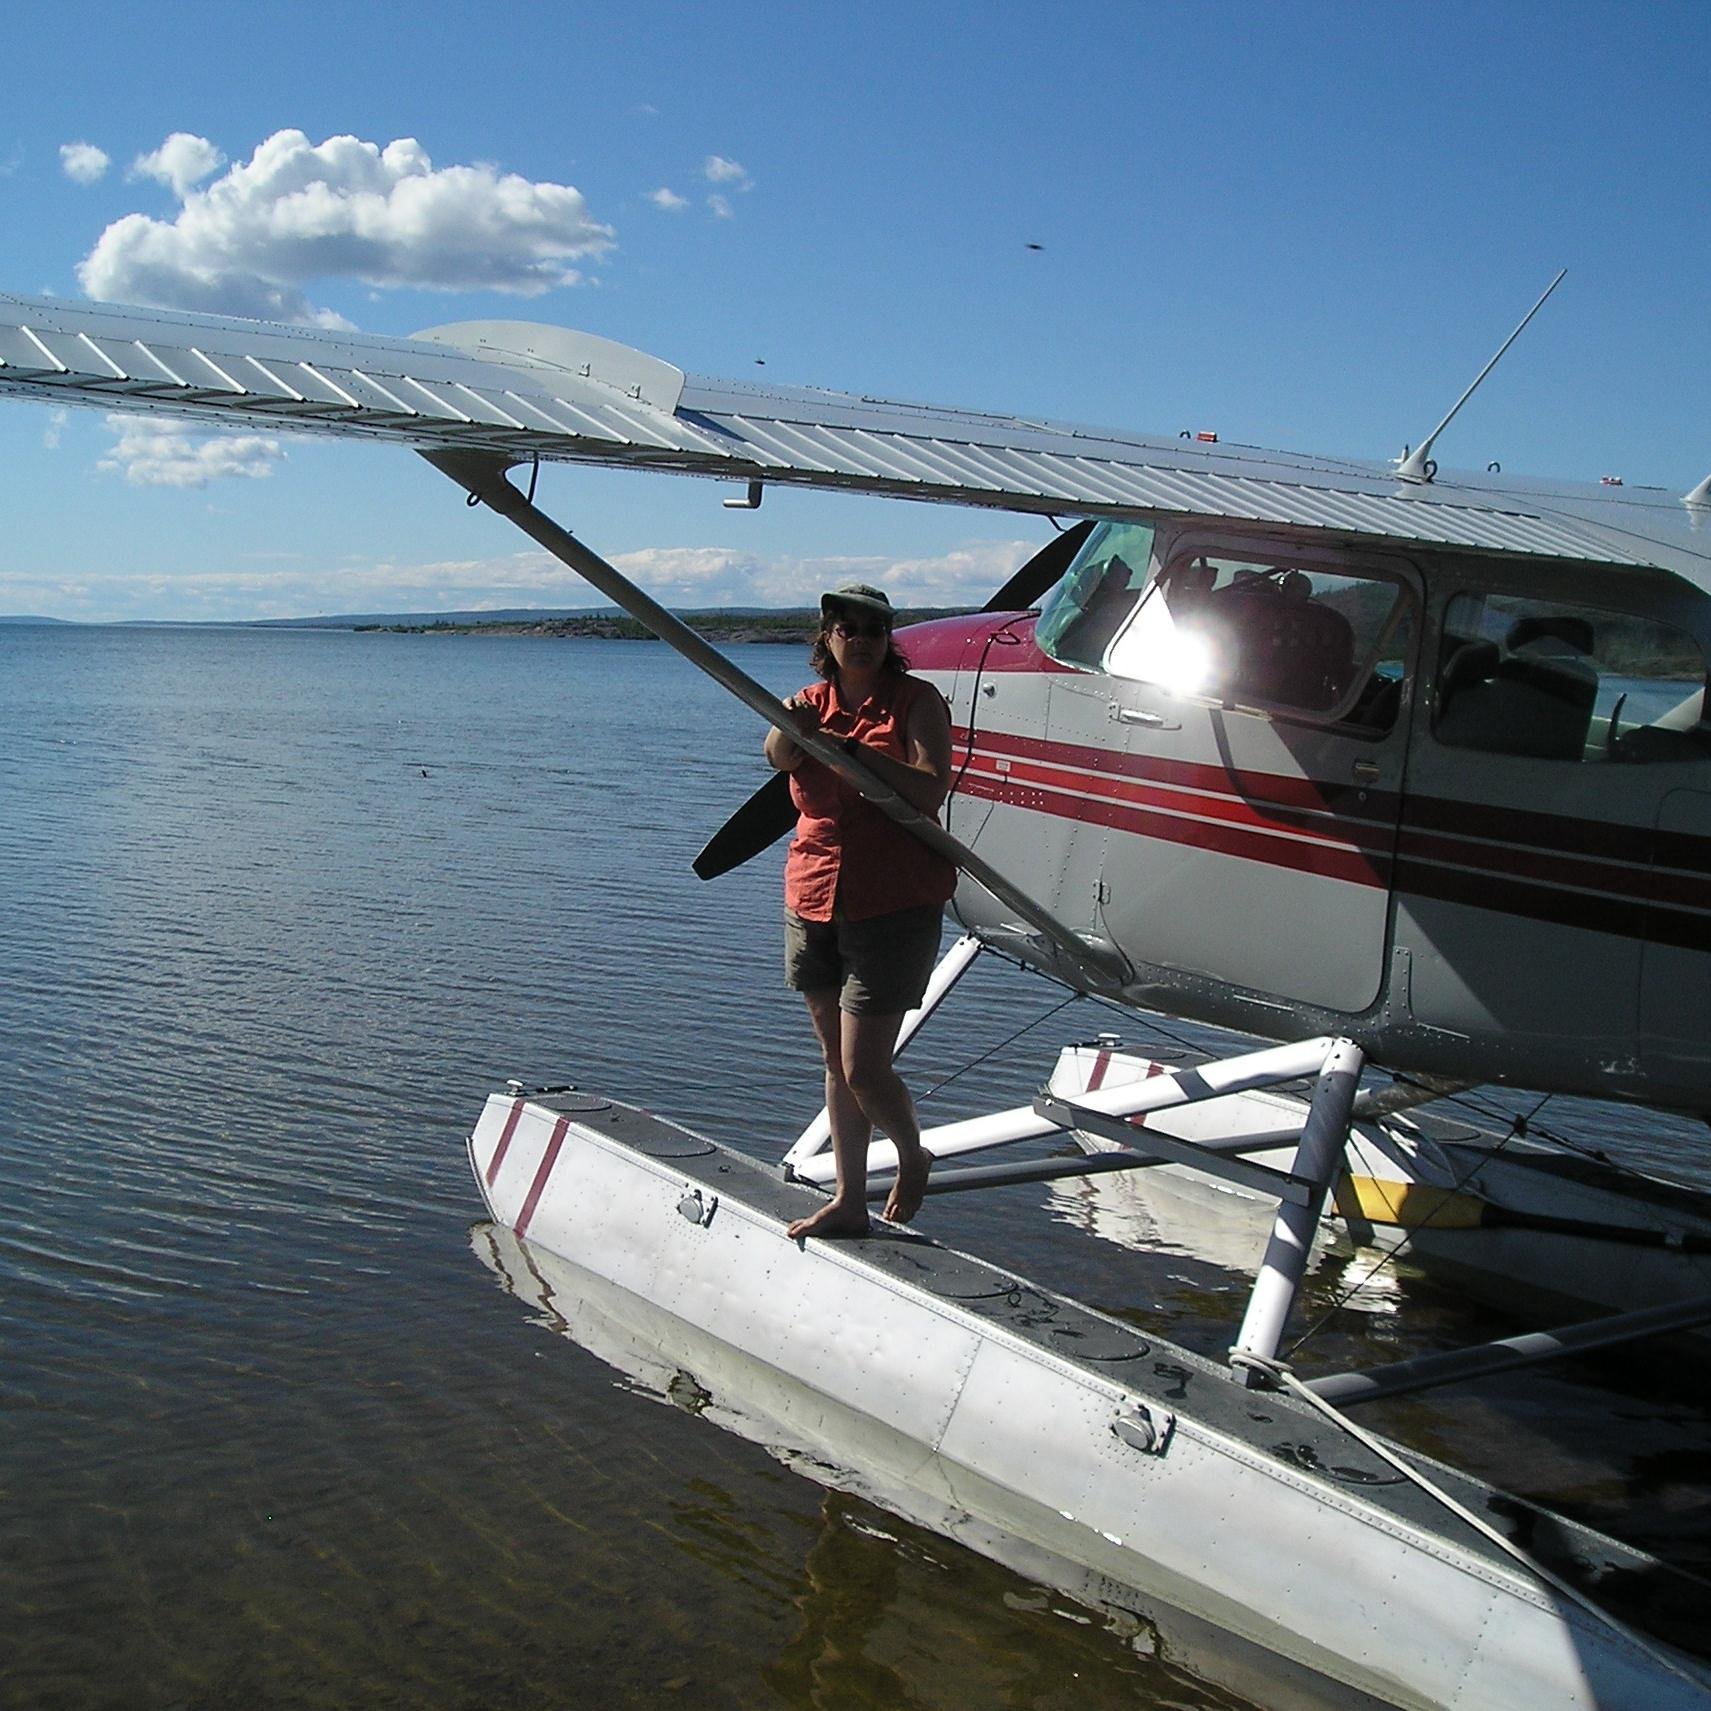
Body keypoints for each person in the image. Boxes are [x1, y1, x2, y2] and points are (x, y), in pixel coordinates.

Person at [764, 582, 956, 1240]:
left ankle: (911, 1155)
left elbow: (930, 787)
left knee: (864, 1067)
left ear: (888, 637)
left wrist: (850, 750)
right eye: (847, 627)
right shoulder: (807, 704)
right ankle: (848, 1200)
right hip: (813, 892)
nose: (862, 637)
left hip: (893, 900)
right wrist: (794, 735)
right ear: (827, 637)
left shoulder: (916, 700)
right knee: (833, 1063)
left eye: (874, 627)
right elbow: (775, 752)